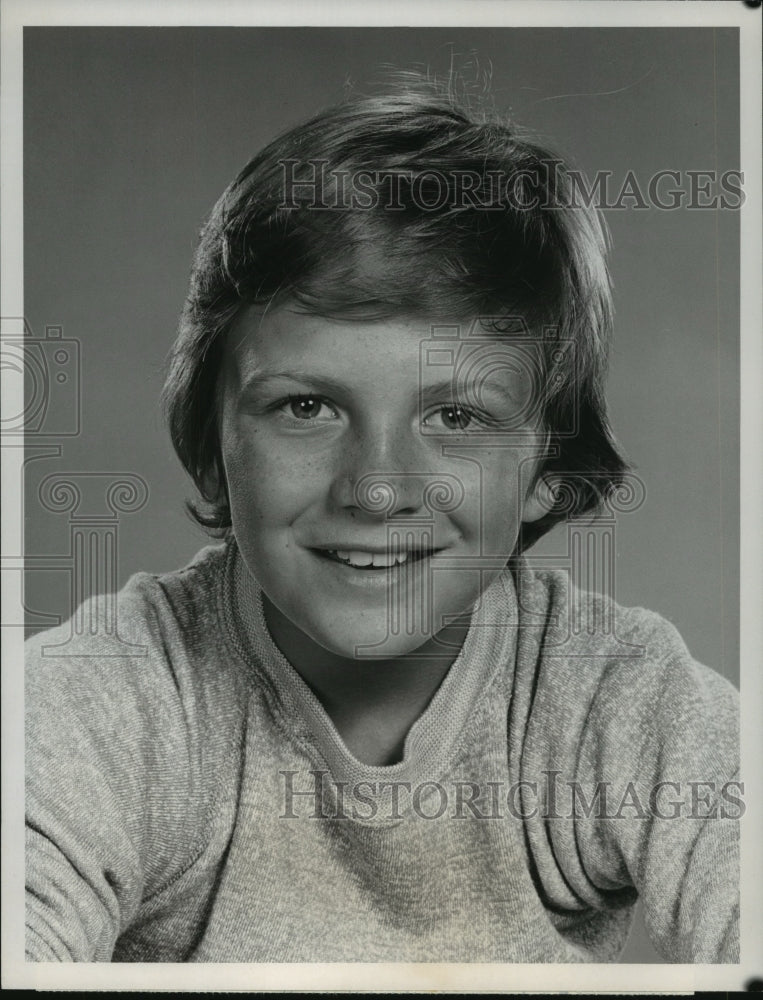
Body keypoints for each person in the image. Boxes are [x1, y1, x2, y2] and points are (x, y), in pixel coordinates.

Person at [25, 75, 739, 963]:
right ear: (212, 443)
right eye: (306, 408)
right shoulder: (113, 696)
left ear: (546, 472)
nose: (373, 489)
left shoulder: (611, 699)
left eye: (456, 418)